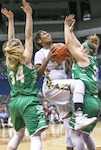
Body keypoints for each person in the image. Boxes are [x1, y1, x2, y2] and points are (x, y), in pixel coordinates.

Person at [34, 30, 97, 150]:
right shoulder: (40, 53)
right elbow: (37, 76)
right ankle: (79, 115)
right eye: (44, 34)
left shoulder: (59, 47)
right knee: (79, 84)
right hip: (51, 86)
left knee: (71, 129)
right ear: (39, 41)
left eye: (48, 33)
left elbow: (71, 67)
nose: (48, 34)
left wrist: (68, 59)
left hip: (62, 90)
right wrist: (47, 59)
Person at [1, 1, 50, 150]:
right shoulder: (26, 58)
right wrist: (29, 15)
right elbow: (29, 36)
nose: (25, 44)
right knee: (35, 135)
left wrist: (10, 20)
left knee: (19, 133)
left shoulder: (10, 62)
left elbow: (11, 41)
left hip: (14, 102)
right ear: (20, 48)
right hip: (28, 101)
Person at [64, 14, 101, 132]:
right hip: (94, 102)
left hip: (86, 100)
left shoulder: (83, 59)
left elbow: (69, 45)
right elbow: (79, 45)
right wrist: (71, 32)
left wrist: (65, 26)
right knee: (85, 135)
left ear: (85, 51)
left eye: (81, 48)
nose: (78, 48)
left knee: (74, 134)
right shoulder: (90, 58)